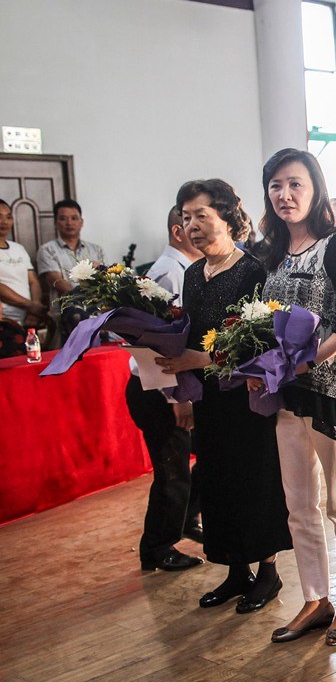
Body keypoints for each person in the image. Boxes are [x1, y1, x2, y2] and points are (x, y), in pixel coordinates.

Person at [154, 179, 293, 611]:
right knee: (218, 484)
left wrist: (199, 361)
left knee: (256, 482)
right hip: (210, 400)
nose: (191, 224)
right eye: (185, 216)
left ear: (228, 217)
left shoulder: (253, 271)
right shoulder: (194, 274)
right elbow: (193, 336)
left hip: (248, 398)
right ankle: (236, 571)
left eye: (201, 215)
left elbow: (258, 345)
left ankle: (268, 573)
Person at [259, 148, 336, 647]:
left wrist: (313, 358)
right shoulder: (267, 253)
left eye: (295, 184)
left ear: (316, 189)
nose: (285, 195)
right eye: (276, 185)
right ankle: (315, 598)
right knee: (299, 503)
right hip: (286, 391)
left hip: (333, 389)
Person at [128, 206, 204, 573]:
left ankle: (186, 517)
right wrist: (178, 398)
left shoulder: (183, 270)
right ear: (178, 230)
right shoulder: (169, 273)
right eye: (193, 223)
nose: (201, 230)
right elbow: (157, 345)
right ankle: (158, 548)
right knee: (172, 473)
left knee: (203, 462)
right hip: (159, 390)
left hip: (169, 387)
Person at [36, 198, 105, 341]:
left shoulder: (95, 249)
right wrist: (81, 299)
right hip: (64, 316)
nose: (69, 223)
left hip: (97, 315)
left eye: (74, 218)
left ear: (81, 222)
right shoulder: (47, 250)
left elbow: (103, 280)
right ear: (56, 223)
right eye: (63, 219)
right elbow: (56, 281)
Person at [0, 199, 47, 335]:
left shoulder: (18, 248)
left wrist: (35, 308)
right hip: (5, 319)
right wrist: (29, 305)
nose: (4, 222)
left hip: (28, 319)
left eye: (8, 217)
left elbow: (33, 280)